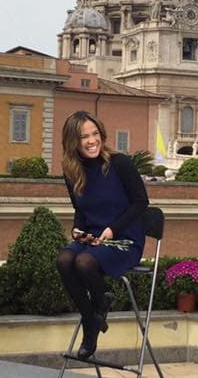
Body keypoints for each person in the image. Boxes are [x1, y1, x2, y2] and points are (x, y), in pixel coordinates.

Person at [56, 111, 149, 359]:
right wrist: (78, 231)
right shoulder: (71, 171)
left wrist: (112, 230)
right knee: (64, 260)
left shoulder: (119, 163)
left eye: (95, 134)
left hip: (124, 239)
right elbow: (80, 210)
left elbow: (141, 202)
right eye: (84, 136)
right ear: (72, 141)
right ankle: (93, 316)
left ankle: (92, 321)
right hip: (95, 238)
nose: (91, 140)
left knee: (84, 262)